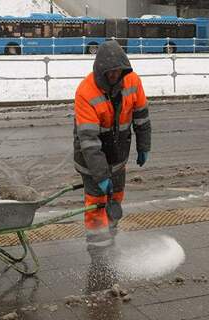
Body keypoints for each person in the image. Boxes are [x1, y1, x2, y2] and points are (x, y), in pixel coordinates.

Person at [73, 40, 151, 248]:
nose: (115, 76)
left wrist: (144, 146)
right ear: (101, 71)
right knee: (97, 204)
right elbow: (89, 142)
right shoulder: (86, 92)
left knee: (115, 198)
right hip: (92, 161)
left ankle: (111, 236)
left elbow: (142, 117)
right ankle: (97, 247)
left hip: (118, 156)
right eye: (111, 72)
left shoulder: (132, 81)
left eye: (119, 71)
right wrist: (100, 175)